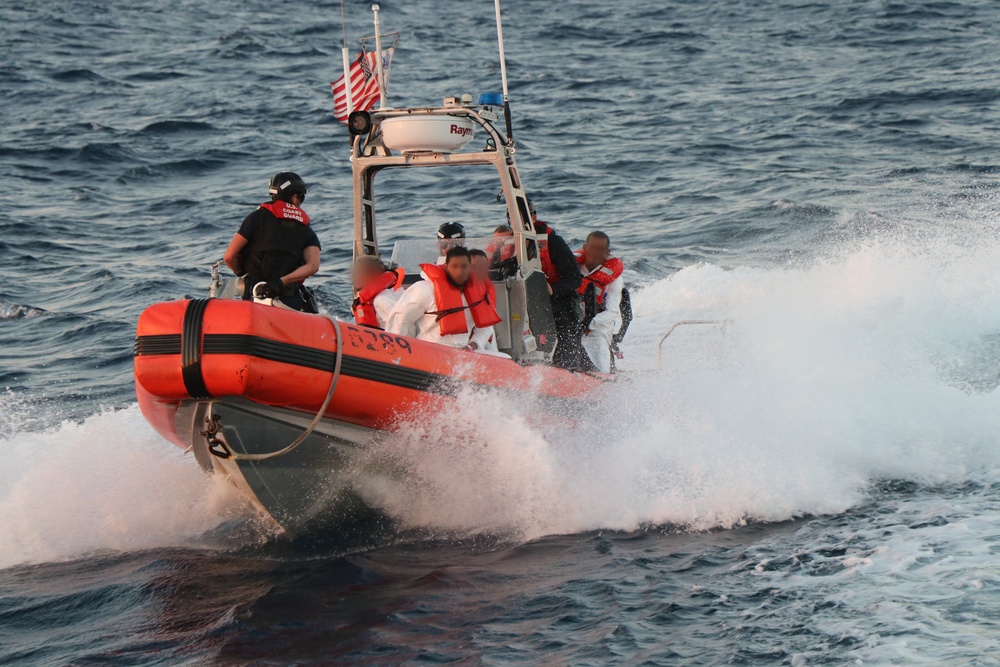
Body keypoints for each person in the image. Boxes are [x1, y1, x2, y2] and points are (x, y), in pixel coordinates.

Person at [224, 172, 320, 312]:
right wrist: (282, 282)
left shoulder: (256, 218)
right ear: (294, 198)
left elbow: (229, 257)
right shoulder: (306, 229)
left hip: (255, 297)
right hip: (289, 300)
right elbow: (313, 265)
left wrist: (243, 274)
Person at [386, 246, 501, 352]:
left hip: (462, 354)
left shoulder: (479, 294)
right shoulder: (424, 289)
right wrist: (397, 352)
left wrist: (472, 346)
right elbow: (399, 319)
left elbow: (486, 328)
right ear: (446, 267)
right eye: (454, 266)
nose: (459, 272)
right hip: (428, 351)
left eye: (464, 266)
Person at [527, 200, 587, 370]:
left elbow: (575, 278)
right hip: (530, 306)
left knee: (568, 346)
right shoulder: (509, 243)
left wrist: (554, 289)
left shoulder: (553, 241)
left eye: (525, 217)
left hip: (562, 303)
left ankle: (577, 375)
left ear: (534, 216)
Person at [575, 231, 625, 374]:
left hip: (599, 325)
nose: (595, 253)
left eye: (600, 249)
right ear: (585, 248)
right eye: (592, 248)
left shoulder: (615, 278)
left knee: (600, 358)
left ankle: (604, 376)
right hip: (576, 320)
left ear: (607, 252)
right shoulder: (574, 268)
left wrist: (590, 324)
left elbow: (612, 312)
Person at [351, 255, 405, 329]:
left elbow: (402, 324)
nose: (354, 277)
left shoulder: (382, 300)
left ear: (372, 274)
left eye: (359, 272)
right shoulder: (375, 299)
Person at [469, 248, 500, 352]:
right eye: (474, 267)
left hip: (481, 344)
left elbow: (486, 328)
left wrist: (471, 347)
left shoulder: (486, 292)